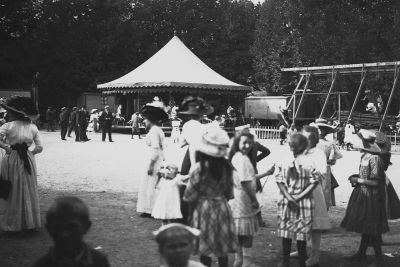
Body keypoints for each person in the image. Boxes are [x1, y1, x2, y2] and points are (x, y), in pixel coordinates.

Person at [183, 125, 237, 267]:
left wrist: (190, 217)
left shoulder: (198, 168)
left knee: (204, 248)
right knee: (222, 247)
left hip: (203, 210)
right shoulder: (227, 168)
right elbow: (229, 194)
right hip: (222, 209)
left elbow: (189, 196)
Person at [341, 129, 388, 267]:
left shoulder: (375, 159)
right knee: (366, 225)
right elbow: (366, 177)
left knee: (372, 226)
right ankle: (361, 253)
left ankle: (379, 260)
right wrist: (356, 177)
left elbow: (375, 182)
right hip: (363, 194)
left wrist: (358, 180)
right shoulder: (365, 157)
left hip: (372, 197)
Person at [229, 130, 274, 267]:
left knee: (239, 231)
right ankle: (246, 261)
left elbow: (248, 178)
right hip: (243, 198)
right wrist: (254, 200)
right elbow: (245, 182)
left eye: (250, 143)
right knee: (246, 233)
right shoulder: (241, 159)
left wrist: (266, 173)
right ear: (237, 143)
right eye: (244, 142)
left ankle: (239, 260)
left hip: (237, 198)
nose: (247, 145)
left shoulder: (238, 156)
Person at [0, 96, 43, 233]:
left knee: (12, 188)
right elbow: (40, 147)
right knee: (28, 188)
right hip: (27, 159)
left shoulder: (7, 126)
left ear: (13, 113)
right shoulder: (32, 127)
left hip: (12, 158)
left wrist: (6, 147)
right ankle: (28, 223)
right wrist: (30, 154)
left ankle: (13, 223)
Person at [275, 133, 318, 267]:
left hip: (287, 202)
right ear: (305, 146)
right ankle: (301, 262)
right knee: (301, 235)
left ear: (290, 146)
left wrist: (289, 197)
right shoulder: (309, 162)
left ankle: (285, 261)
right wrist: (299, 196)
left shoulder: (284, 160)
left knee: (286, 233)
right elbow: (315, 182)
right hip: (303, 202)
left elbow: (279, 180)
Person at [31, 196, 110, 267]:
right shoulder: (42, 265)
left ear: (86, 227)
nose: (64, 234)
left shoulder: (100, 262)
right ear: (48, 229)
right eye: (58, 228)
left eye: (72, 227)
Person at [178, 96, 214, 224]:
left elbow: (181, 143)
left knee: (184, 183)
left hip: (189, 155)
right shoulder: (204, 127)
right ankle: (197, 215)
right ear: (202, 115)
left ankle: (183, 215)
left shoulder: (186, 125)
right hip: (201, 154)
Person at [299, 126, 330, 267]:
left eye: (308, 138)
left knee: (315, 225)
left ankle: (315, 254)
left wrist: (310, 173)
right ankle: (301, 250)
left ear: (314, 139)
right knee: (301, 222)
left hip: (313, 191)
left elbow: (322, 173)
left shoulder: (318, 153)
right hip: (299, 190)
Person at [137, 103, 168, 217]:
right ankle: (151, 208)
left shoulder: (154, 131)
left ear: (150, 120)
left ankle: (150, 209)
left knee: (151, 183)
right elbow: (161, 148)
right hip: (157, 158)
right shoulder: (158, 129)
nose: (144, 122)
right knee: (154, 182)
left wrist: (151, 165)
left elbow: (155, 148)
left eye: (145, 119)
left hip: (154, 160)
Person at [315, 118, 342, 207]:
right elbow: (334, 160)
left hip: (312, 168)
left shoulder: (310, 142)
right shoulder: (330, 144)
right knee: (323, 190)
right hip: (325, 169)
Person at [375, 131, 400, 221]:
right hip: (382, 176)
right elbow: (384, 168)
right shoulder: (386, 155)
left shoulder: (373, 156)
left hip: (376, 177)